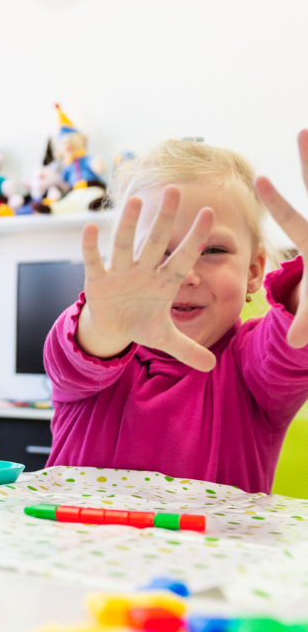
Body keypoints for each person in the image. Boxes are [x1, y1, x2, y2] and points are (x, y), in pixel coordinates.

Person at [43, 137, 308, 493]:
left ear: (254, 270)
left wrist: (300, 295)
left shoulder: (254, 367)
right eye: (156, 251)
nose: (184, 275)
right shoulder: (92, 350)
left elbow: (292, 339)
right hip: (74, 549)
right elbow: (81, 350)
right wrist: (106, 322)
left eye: (213, 250)